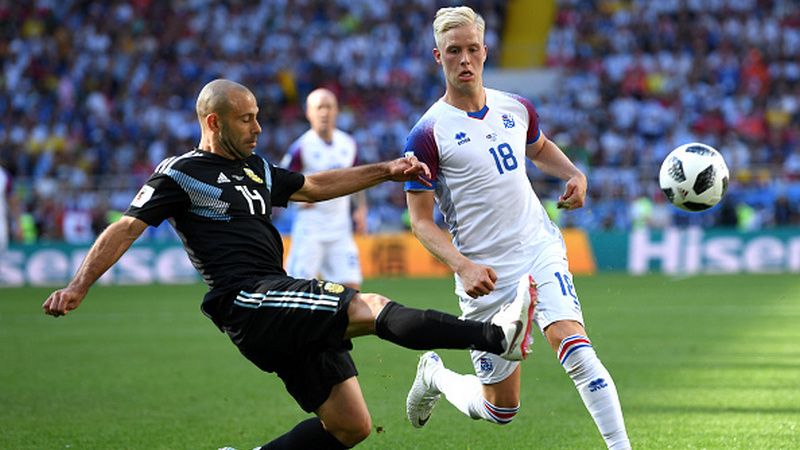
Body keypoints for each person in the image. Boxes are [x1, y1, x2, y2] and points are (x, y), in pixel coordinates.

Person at [42, 79, 534, 450]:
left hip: (278, 295)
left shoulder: (255, 168)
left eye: (257, 117)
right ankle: (494, 337)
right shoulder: (180, 173)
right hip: (247, 298)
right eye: (246, 119)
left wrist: (386, 170)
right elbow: (127, 226)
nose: (258, 128)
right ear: (214, 122)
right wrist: (79, 286)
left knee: (350, 426)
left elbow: (314, 187)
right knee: (371, 305)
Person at [403, 7, 630, 449]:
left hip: (537, 247)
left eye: (472, 49)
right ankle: (434, 375)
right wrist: (464, 266)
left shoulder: (516, 107)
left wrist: (574, 173)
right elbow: (420, 223)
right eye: (454, 51)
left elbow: (538, 147)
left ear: (485, 51)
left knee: (575, 347)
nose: (464, 59)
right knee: (500, 409)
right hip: (487, 276)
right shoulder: (426, 134)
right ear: (438, 57)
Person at [280, 88, 366, 289]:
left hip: (340, 228)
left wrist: (361, 209)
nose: (324, 113)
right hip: (311, 228)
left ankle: (337, 321)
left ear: (337, 111)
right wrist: (299, 199)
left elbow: (357, 178)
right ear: (309, 112)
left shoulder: (348, 144)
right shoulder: (301, 147)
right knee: (297, 288)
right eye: (319, 108)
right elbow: (280, 184)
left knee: (352, 289)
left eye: (329, 107)